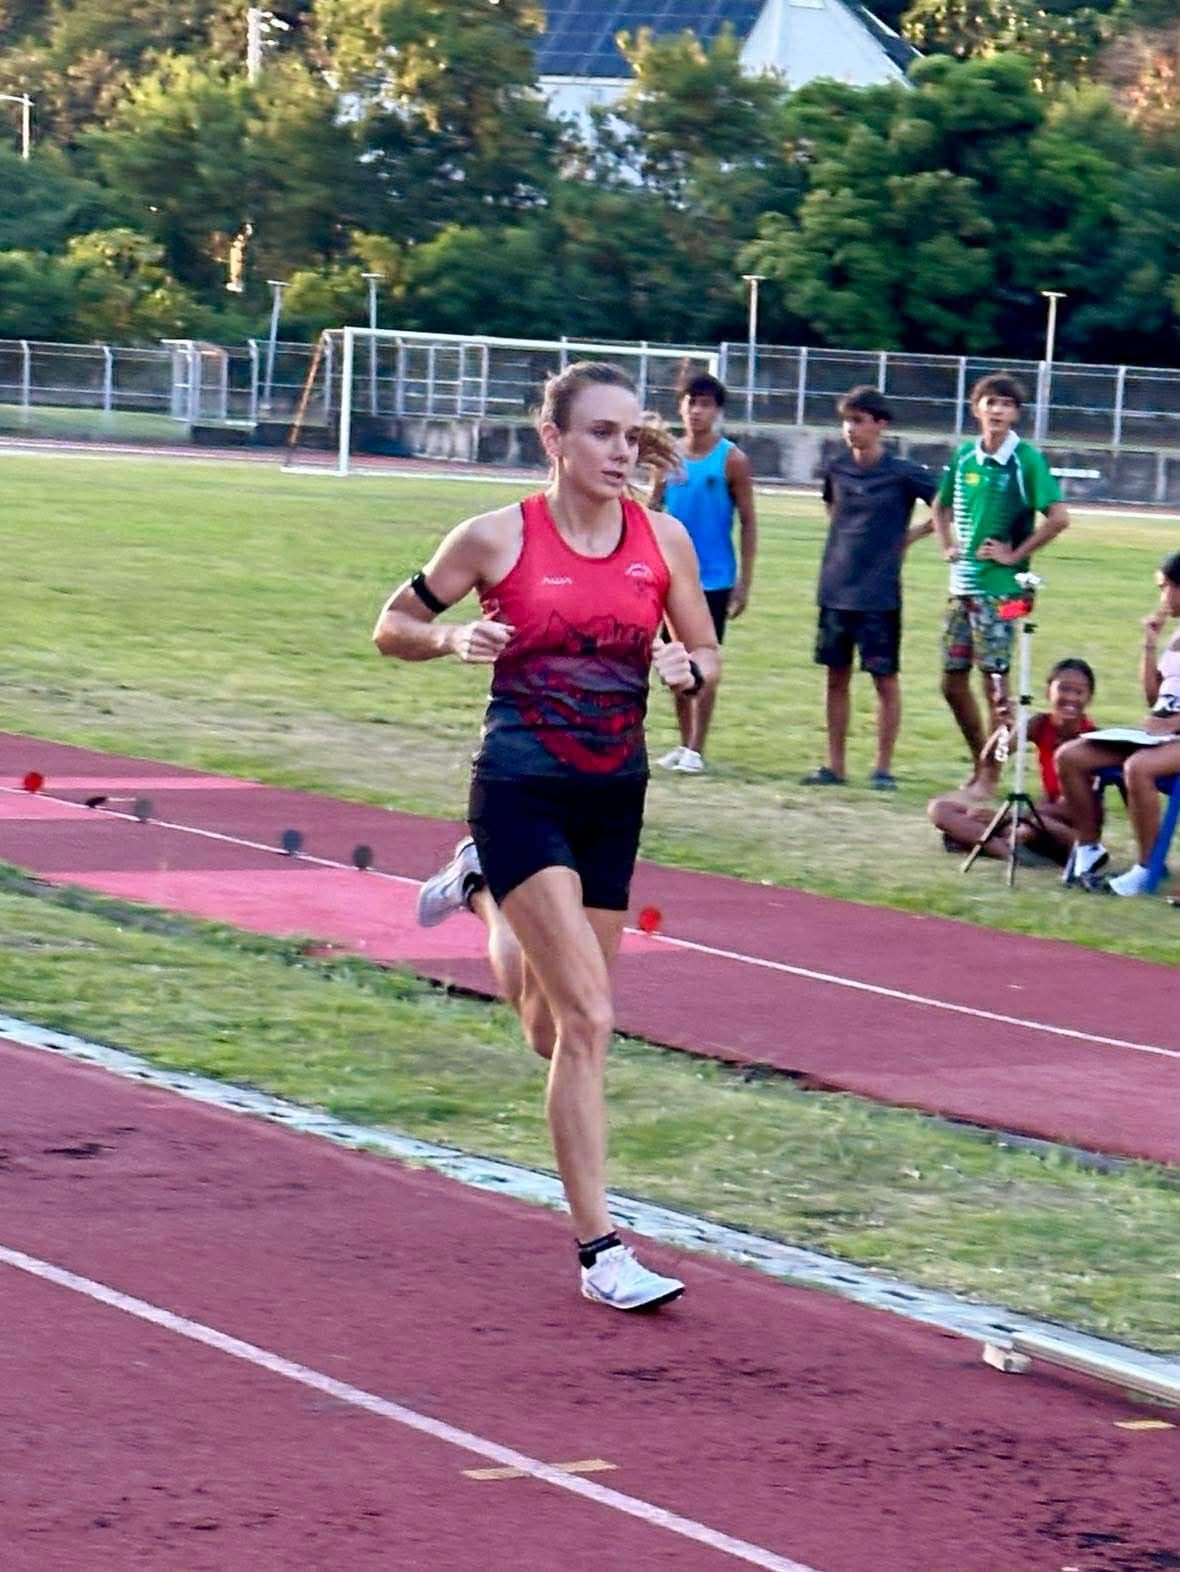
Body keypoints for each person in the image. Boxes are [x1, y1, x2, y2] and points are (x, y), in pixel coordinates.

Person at [372, 360, 720, 1310]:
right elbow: (392, 623)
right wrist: (450, 640)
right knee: (591, 1021)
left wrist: (688, 670)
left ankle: (481, 888)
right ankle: (600, 1252)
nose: (620, 450)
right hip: (520, 789)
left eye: (628, 433)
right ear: (555, 440)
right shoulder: (493, 538)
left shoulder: (666, 540)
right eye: (600, 433)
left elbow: (706, 654)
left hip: (615, 796)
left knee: (545, 1029)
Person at [932, 373, 1069, 799]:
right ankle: (981, 760)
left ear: (1016, 414)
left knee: (997, 688)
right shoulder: (964, 458)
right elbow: (940, 506)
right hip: (963, 588)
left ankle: (992, 775)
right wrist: (948, 544)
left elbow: (1059, 517)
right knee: (952, 683)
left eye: (1006, 405)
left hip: (1002, 592)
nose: (997, 411)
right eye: (990, 403)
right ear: (976, 409)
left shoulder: (1024, 459)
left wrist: (1014, 554)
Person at [801, 385, 937, 790]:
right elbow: (833, 511)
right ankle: (835, 766)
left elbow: (945, 505)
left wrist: (909, 538)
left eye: (859, 420)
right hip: (836, 589)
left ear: (881, 425)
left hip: (879, 594)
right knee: (835, 677)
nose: (850, 429)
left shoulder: (903, 473)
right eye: (846, 420)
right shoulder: (836, 469)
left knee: (884, 679)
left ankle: (882, 768)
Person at [647, 370, 756, 774]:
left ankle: (698, 745)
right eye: (691, 402)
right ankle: (682, 740)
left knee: (704, 660)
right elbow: (653, 508)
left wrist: (744, 582)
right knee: (674, 660)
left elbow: (748, 520)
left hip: (713, 578)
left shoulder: (732, 459)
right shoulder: (668, 456)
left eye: (705, 404)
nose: (696, 411)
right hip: (667, 576)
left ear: (718, 411)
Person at [1057, 550, 1180, 895]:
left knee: (1138, 768)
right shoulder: (1177, 638)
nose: (1162, 597)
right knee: (1071, 755)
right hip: (1158, 733)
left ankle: (1147, 868)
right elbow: (1154, 698)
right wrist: (1150, 645)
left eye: (1166, 587)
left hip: (1175, 737)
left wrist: (1172, 726)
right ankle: (1088, 848)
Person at [927, 657, 1097, 864]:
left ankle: (981, 841)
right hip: (1031, 819)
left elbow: (1070, 807)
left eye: (1078, 692)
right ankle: (1007, 853)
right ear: (1048, 691)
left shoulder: (1093, 740)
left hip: (1067, 829)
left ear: (1088, 697)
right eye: (1063, 689)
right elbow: (993, 759)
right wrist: (1005, 727)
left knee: (1025, 832)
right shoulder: (1040, 724)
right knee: (939, 809)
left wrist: (1010, 816)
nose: (1070, 698)